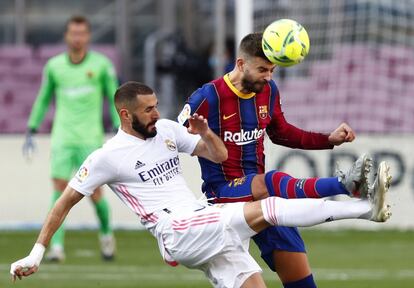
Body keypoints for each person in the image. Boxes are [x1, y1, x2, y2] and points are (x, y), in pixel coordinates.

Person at [11, 81, 391, 288]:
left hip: (201, 220)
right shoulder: (106, 157)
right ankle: (361, 206)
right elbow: (62, 204)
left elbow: (221, 158)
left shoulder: (167, 130)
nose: (157, 113)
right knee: (269, 206)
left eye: (157, 105)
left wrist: (207, 133)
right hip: (175, 231)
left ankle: (360, 203)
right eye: (148, 109)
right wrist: (36, 253)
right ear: (125, 115)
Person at [177, 32, 370, 287]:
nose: (268, 76)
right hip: (223, 193)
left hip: (264, 198)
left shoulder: (268, 91)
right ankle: (346, 185)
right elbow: (174, 139)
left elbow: (281, 133)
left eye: (272, 70)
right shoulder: (207, 96)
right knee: (272, 180)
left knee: (301, 281)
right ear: (241, 64)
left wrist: (328, 139)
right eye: (262, 70)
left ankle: (351, 189)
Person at [22, 15, 118, 261]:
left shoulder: (101, 65)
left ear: (88, 36)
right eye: (73, 33)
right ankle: (56, 247)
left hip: (90, 138)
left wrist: (121, 128)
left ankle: (107, 236)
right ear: (66, 36)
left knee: (95, 193)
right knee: (59, 190)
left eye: (82, 33)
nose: (77, 38)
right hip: (63, 137)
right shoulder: (54, 66)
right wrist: (32, 127)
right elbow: (44, 98)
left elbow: (114, 97)